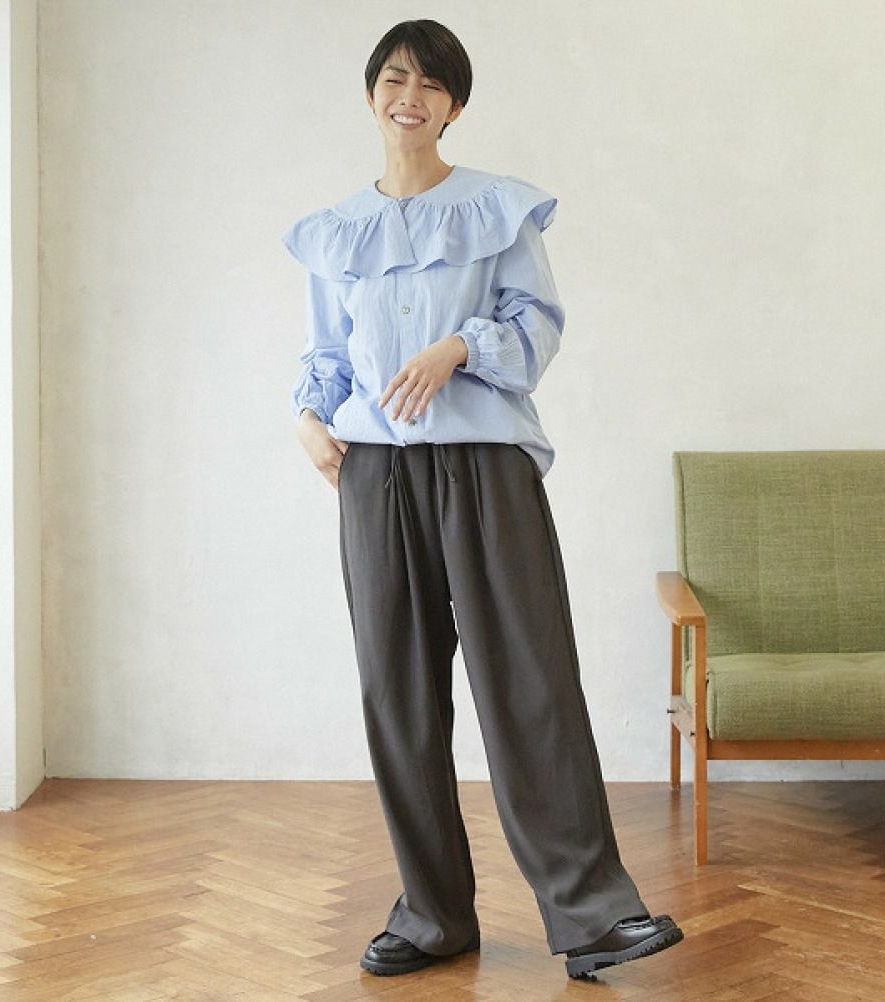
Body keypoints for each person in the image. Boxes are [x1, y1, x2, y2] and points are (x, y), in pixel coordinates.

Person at [282, 18, 683, 981]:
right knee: (398, 693)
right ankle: (431, 916)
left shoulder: (499, 209)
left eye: (430, 83)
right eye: (394, 79)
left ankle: (592, 915)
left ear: (454, 105)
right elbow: (327, 354)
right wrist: (306, 418)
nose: (409, 97)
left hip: (486, 467)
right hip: (375, 476)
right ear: (371, 95)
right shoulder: (336, 232)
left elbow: (535, 326)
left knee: (529, 681)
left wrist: (458, 346)